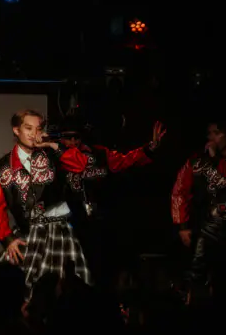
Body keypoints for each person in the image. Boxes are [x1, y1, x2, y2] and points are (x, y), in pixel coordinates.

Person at [0, 109, 92, 301]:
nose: (33, 134)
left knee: (67, 290)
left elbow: (80, 165)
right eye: (28, 128)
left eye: (38, 128)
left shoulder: (53, 154)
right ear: (16, 130)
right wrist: (8, 239)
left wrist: (52, 144)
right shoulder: (2, 168)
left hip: (59, 231)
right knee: (15, 289)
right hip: (28, 233)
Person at [58, 115, 166, 287]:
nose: (72, 142)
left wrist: (150, 148)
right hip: (69, 223)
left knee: (102, 269)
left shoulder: (100, 153)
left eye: (76, 137)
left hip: (100, 221)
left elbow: (125, 160)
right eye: (68, 137)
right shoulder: (56, 156)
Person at [171, 120, 226, 308]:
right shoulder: (197, 161)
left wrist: (216, 161)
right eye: (209, 133)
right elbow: (180, 191)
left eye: (216, 133)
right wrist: (182, 226)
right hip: (209, 225)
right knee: (197, 271)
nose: (211, 138)